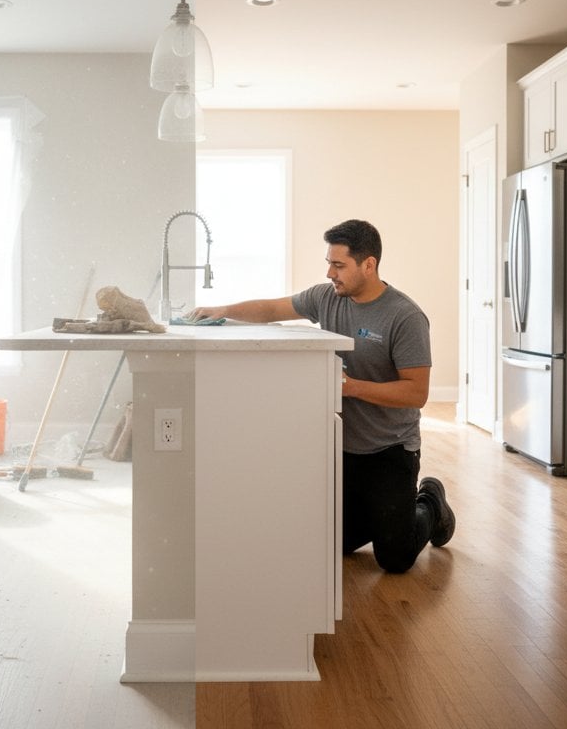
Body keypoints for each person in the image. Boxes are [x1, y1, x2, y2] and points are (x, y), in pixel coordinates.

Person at [188, 219, 455, 573]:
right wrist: (224, 310)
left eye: (339, 265)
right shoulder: (326, 297)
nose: (330, 272)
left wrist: (351, 387)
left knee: (395, 558)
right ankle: (385, 516)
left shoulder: (404, 316)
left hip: (390, 450)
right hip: (342, 448)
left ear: (369, 265)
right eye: (329, 263)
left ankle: (431, 501)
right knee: (336, 543)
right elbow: (272, 310)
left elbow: (416, 393)